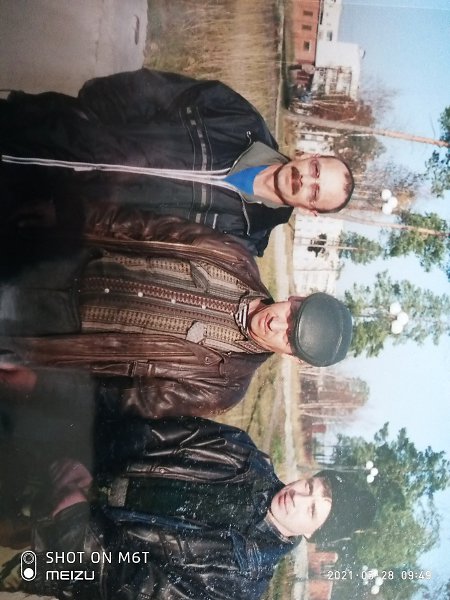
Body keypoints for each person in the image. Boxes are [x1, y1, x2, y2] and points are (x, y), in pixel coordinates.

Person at [0, 207, 353, 418]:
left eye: (289, 338)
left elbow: (119, 398)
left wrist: (40, 383)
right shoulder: (235, 257)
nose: (278, 324)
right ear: (295, 297)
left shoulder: (224, 387)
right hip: (66, 259)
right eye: (293, 315)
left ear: (290, 356)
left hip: (54, 334)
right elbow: (142, 226)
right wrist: (68, 218)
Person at [0, 415, 376, 600]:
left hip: (64, 553)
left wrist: (74, 527)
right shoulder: (240, 452)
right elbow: (148, 434)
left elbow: (143, 591)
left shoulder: (244, 583)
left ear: (312, 534)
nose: (299, 497)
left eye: (312, 510)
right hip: (67, 471)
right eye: (311, 486)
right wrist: (84, 456)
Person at [0, 69, 354, 256]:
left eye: (315, 192)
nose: (304, 180)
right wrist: (90, 114)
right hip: (50, 131)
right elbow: (155, 90)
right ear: (310, 156)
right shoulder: (240, 119)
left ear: (310, 211)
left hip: (40, 209)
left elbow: (143, 246)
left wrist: (71, 219)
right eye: (315, 171)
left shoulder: (240, 241)